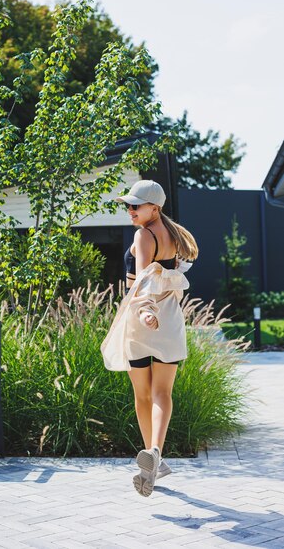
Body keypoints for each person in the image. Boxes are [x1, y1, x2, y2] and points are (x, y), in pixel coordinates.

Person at [100, 179, 198, 497]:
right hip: (169, 321)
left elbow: (141, 278)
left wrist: (143, 311)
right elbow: (171, 275)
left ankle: (152, 456)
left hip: (143, 319)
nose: (130, 210)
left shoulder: (144, 234)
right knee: (162, 394)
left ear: (154, 208)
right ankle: (154, 455)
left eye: (135, 206)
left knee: (142, 395)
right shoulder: (173, 234)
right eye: (128, 205)